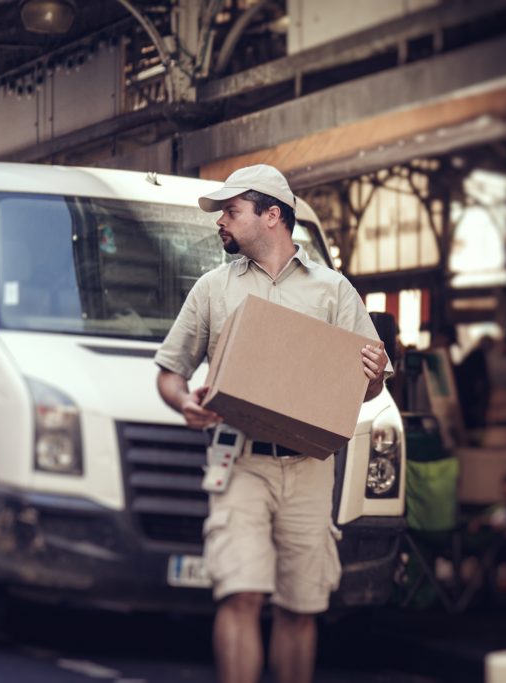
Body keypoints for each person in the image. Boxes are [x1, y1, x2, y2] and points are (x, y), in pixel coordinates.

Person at [154, 164, 389, 683]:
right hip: (238, 461)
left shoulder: (333, 291)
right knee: (241, 592)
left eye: (231, 212)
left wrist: (371, 377)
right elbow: (170, 373)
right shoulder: (213, 289)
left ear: (272, 215)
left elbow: (368, 386)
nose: (221, 223)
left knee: (301, 607)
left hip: (308, 469)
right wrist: (183, 404)